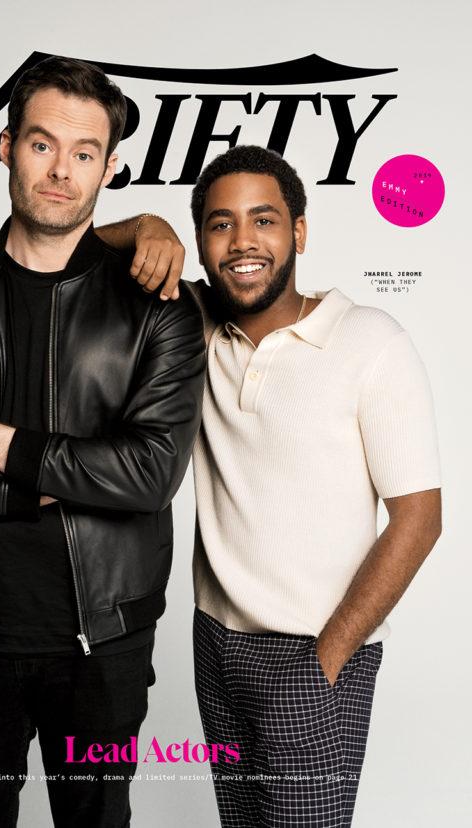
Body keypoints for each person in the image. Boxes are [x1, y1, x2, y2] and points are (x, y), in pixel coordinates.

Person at [0, 56, 205, 828]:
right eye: (42, 144)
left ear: (110, 168)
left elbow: (150, 474)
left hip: (104, 642)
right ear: (5, 148)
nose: (62, 170)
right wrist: (67, 479)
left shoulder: (159, 308)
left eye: (85, 152)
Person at [131, 145, 442, 827]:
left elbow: (419, 518)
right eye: (220, 224)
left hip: (317, 650)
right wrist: (146, 225)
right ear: (201, 245)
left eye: (264, 220)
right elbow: (75, 253)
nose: (243, 241)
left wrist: (327, 659)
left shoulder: (371, 341)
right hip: (215, 644)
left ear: (298, 231)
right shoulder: (192, 326)